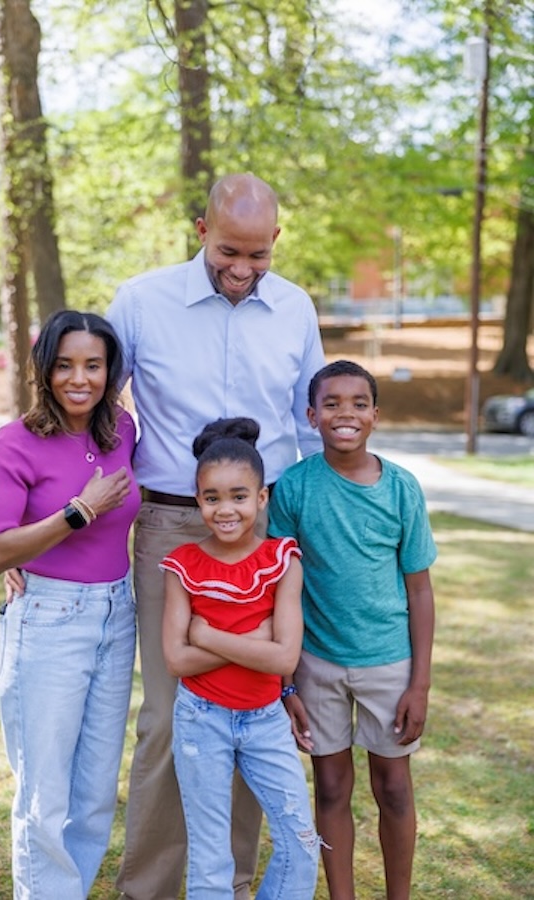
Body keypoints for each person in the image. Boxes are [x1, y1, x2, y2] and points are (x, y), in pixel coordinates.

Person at [106, 172, 326, 899]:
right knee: (173, 717)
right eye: (230, 251)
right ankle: (151, 889)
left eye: (258, 256)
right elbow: (95, 408)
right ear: (201, 229)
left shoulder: (295, 307)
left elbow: (309, 425)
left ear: (276, 243)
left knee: (252, 705)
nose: (242, 270)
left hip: (265, 528)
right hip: (172, 523)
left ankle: (226, 887)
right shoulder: (142, 301)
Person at [0, 310, 140, 899]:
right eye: (65, 364)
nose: (80, 378)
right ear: (43, 369)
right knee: (45, 793)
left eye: (93, 365)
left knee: (95, 792)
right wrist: (78, 511)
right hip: (48, 621)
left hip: (116, 616)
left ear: (109, 371)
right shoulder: (15, 441)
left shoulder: (120, 430)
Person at [268, 359, 437, 900]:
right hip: (316, 661)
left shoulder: (402, 489)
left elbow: (420, 591)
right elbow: (280, 589)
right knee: (332, 787)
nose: (346, 414)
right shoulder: (293, 488)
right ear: (311, 414)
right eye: (333, 403)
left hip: (389, 661)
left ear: (375, 415)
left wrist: (420, 683)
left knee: (393, 787)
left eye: (359, 403)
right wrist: (287, 680)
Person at [161, 417, 320, 899]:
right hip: (200, 719)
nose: (225, 509)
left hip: (266, 721)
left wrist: (207, 634)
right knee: (211, 854)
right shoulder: (183, 564)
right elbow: (175, 660)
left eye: (238, 496)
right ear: (198, 500)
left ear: (262, 498)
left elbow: (284, 657)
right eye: (212, 497)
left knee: (301, 841)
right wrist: (257, 638)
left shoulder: (282, 560)